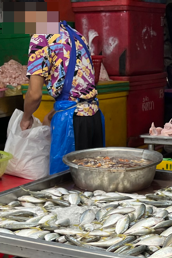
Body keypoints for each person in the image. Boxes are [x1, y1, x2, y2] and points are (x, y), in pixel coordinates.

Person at [16, 1, 105, 174]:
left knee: (66, 185)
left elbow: (34, 94)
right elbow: (82, 81)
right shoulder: (76, 34)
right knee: (93, 182)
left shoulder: (40, 38)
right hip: (94, 117)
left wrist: (26, 117)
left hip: (72, 123)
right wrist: (55, 110)